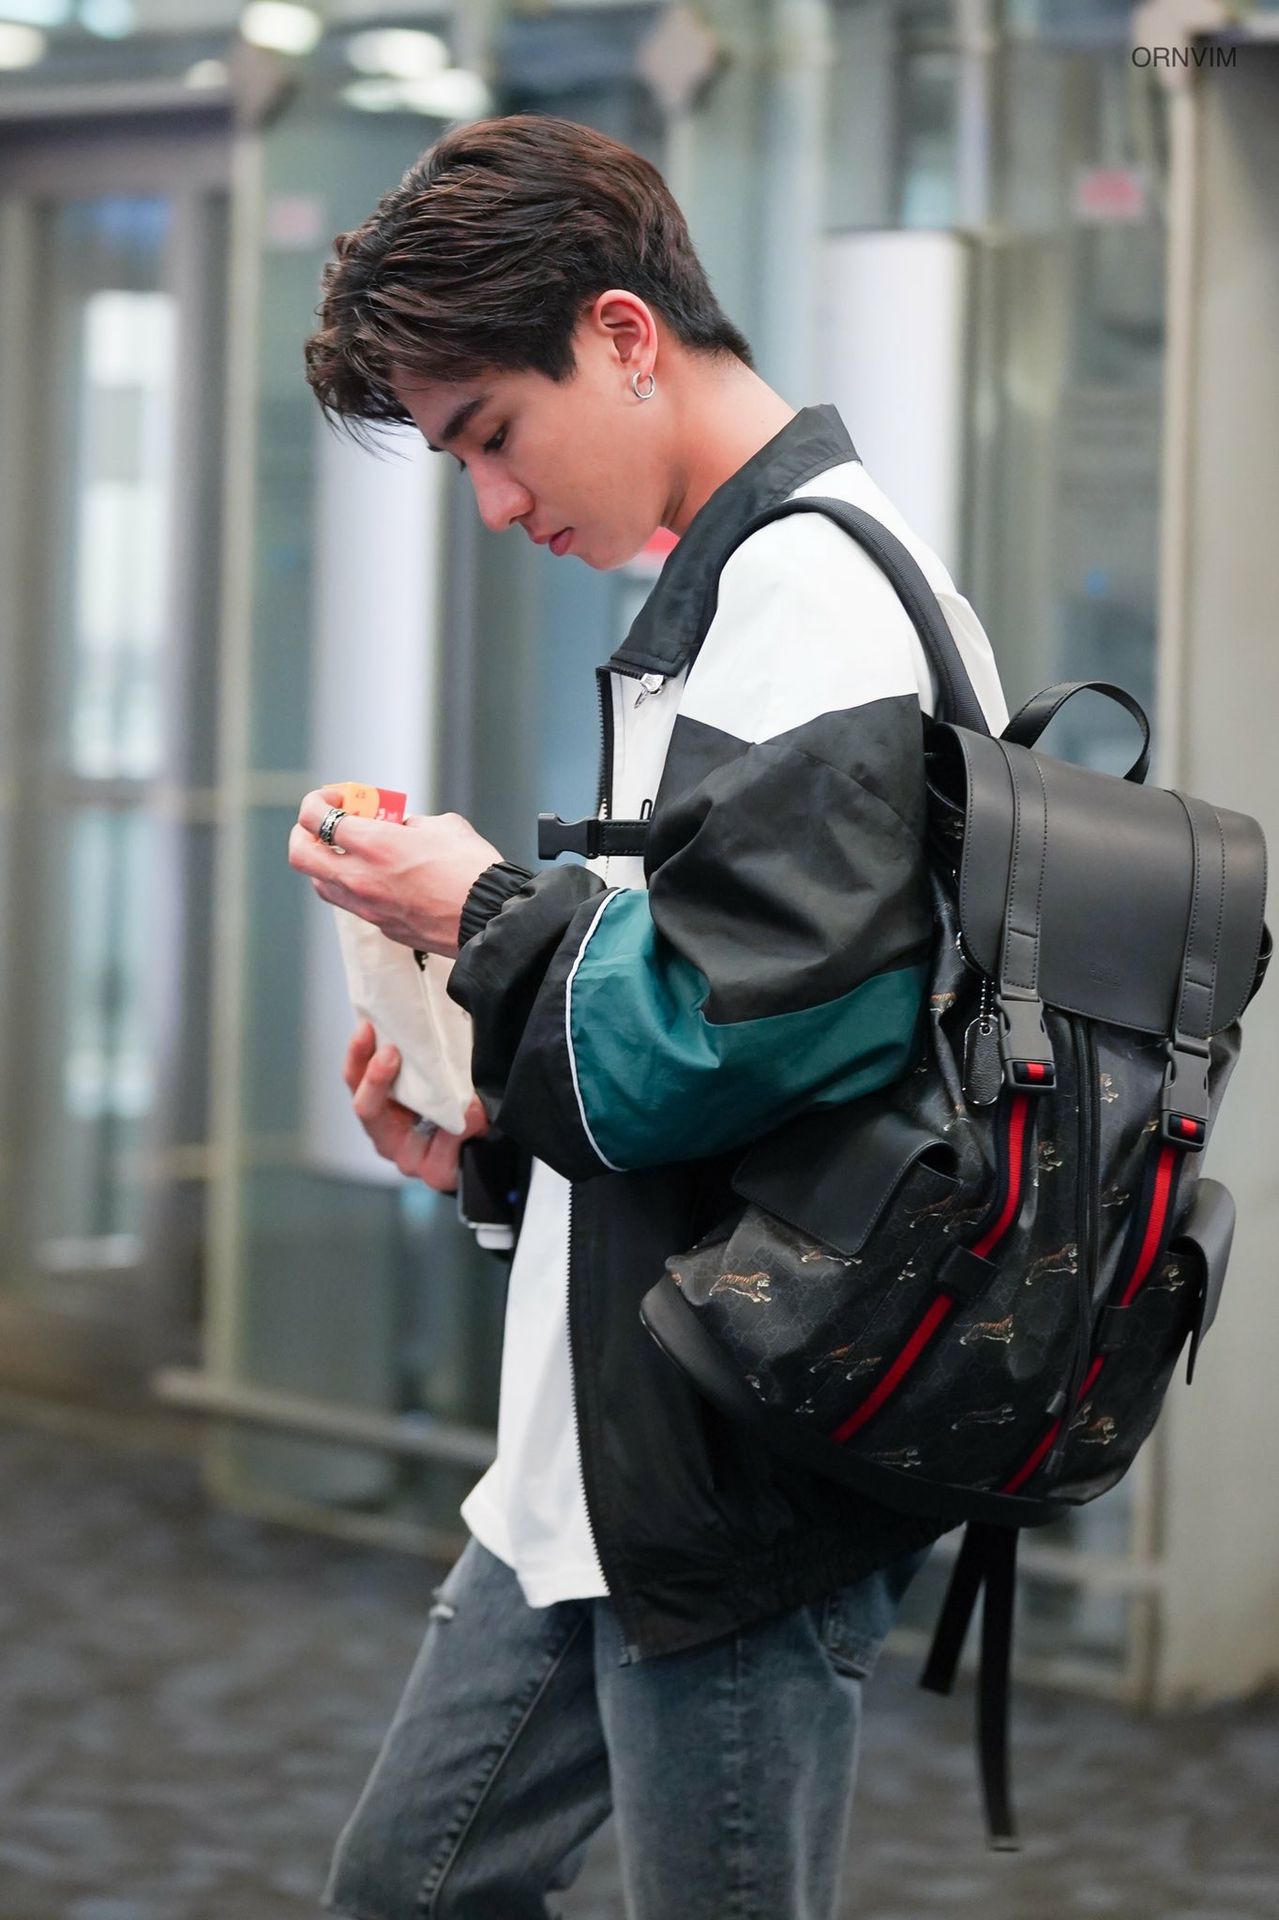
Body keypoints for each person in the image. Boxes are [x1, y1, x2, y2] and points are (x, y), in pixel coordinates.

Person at [290, 113, 1010, 1920]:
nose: (496, 504)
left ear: (621, 336)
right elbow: (749, 1052)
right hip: (620, 1443)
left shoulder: (817, 605)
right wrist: (488, 1141)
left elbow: (714, 1035)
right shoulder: (746, 597)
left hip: (725, 1471)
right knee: (407, 1889)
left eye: (492, 436)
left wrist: (478, 911)